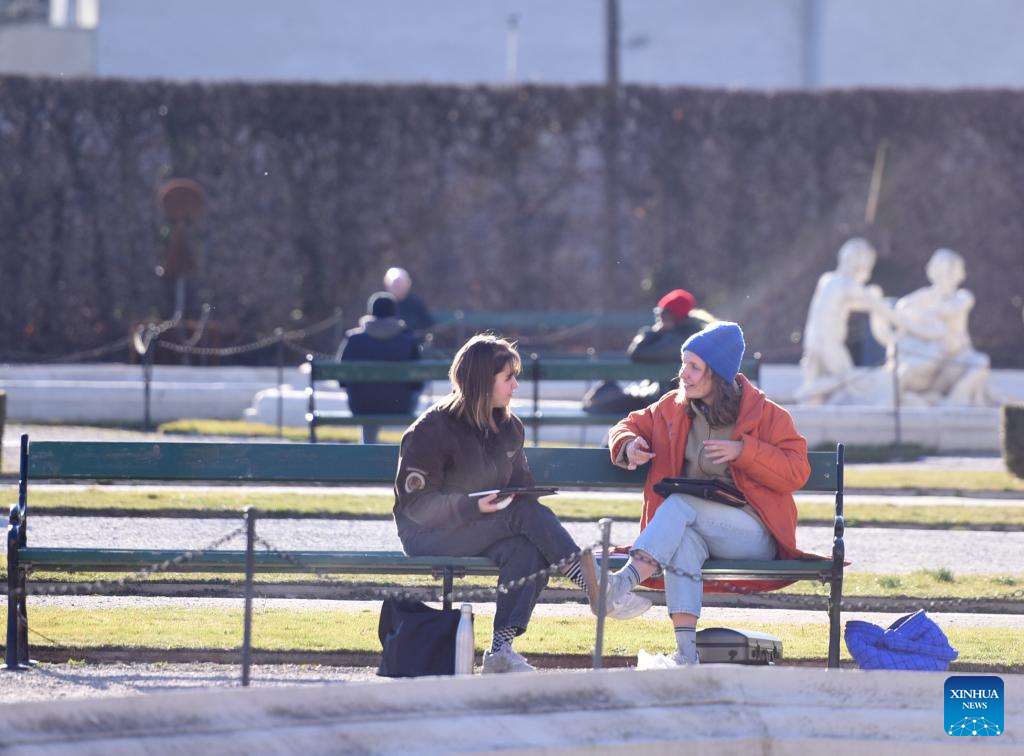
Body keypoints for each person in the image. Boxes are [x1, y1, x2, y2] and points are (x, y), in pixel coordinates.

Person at [393, 334, 649, 674]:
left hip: (480, 526)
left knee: (526, 550)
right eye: (508, 377)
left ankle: (500, 651)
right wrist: (472, 507)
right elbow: (416, 505)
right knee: (523, 515)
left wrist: (524, 492)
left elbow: (519, 484)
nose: (516, 385)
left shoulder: (509, 427)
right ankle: (595, 587)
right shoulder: (430, 429)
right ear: (483, 382)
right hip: (426, 532)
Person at [590, 321, 816, 667]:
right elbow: (625, 425)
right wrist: (628, 444)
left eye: (694, 367)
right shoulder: (672, 407)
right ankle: (686, 655)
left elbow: (797, 470)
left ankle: (621, 585)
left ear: (718, 375)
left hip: (752, 534)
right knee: (684, 541)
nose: (684, 374)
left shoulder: (765, 414)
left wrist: (744, 451)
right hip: (698, 529)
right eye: (684, 364)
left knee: (680, 506)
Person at [886, 248, 994, 406]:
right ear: (934, 272)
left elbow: (949, 310)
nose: (946, 276)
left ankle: (955, 401)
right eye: (942, 271)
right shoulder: (922, 298)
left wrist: (922, 314)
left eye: (951, 271)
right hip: (931, 361)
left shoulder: (963, 297)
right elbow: (902, 309)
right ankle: (901, 398)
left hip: (958, 360)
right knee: (908, 369)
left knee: (980, 363)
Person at [583, 289, 714, 416]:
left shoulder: (681, 339)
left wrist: (655, 331)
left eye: (663, 314)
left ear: (673, 316)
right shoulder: (681, 333)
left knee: (603, 402)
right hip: (660, 395)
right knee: (607, 392)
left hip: (663, 399)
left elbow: (638, 353)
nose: (659, 319)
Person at [795, 238, 891, 404]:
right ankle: (805, 392)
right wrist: (907, 320)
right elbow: (878, 307)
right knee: (848, 380)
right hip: (829, 344)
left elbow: (855, 303)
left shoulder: (828, 280)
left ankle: (812, 396)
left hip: (813, 342)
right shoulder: (846, 284)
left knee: (830, 391)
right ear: (860, 264)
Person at [337, 292, 422, 444]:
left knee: (368, 397)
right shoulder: (408, 340)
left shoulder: (354, 339)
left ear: (371, 312)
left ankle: (367, 449)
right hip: (400, 406)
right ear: (394, 312)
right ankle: (408, 450)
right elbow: (418, 382)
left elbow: (342, 378)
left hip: (361, 407)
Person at [384, 267, 435, 336]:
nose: (399, 288)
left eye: (401, 285)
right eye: (396, 286)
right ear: (387, 286)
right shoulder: (382, 304)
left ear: (408, 284)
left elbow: (428, 327)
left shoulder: (416, 303)